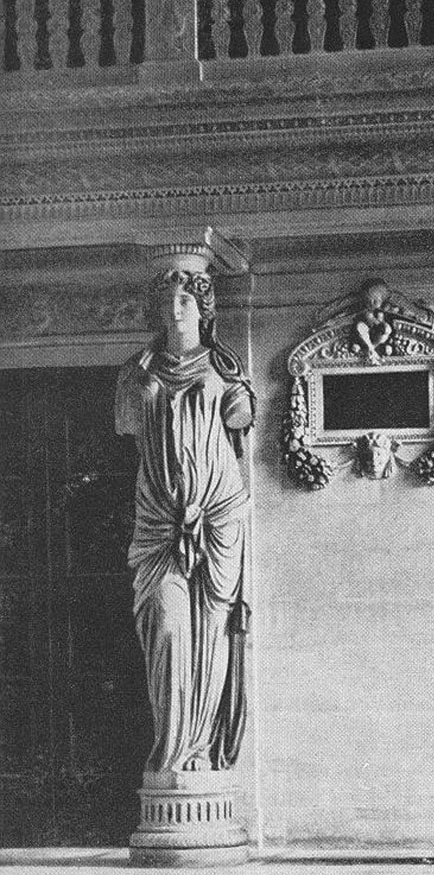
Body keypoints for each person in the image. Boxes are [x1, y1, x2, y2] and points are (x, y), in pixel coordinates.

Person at [115, 247, 256, 773]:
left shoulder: (224, 370)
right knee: (169, 628)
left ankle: (198, 750)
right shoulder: (136, 374)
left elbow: (240, 422)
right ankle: (171, 751)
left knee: (212, 633)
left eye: (185, 300)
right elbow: (131, 429)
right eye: (167, 301)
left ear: (203, 307)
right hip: (158, 520)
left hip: (218, 516)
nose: (175, 311)